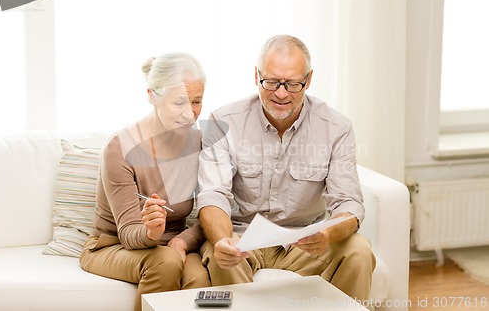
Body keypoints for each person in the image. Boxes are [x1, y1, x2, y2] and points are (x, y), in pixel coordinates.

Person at [197, 35, 376, 302]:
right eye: (271, 82)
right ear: (256, 76)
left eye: (293, 84)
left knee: (359, 250)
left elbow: (349, 203)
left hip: (305, 241)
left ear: (309, 80)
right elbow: (213, 195)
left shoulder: (336, 127)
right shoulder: (221, 121)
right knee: (220, 254)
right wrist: (224, 239)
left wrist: (327, 233)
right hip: (243, 238)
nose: (281, 94)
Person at [80, 52, 211, 311]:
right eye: (179, 103)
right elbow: (128, 233)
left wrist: (183, 240)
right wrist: (152, 231)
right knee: (166, 262)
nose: (190, 114)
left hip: (173, 243)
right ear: (152, 95)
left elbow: (215, 209)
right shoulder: (119, 147)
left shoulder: (199, 142)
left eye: (197, 102)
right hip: (112, 244)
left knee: (199, 278)